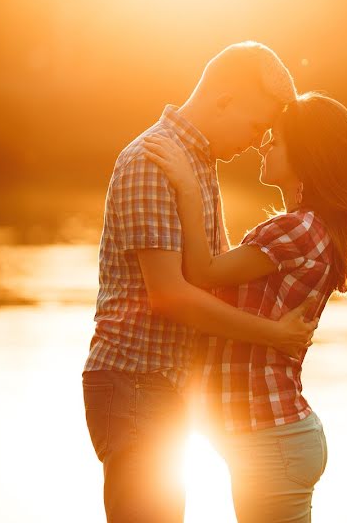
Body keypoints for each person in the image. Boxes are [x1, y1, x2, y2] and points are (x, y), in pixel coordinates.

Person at [82, 42, 319, 523]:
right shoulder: (153, 161)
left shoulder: (197, 163)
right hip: (136, 384)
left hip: (163, 388)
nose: (258, 141)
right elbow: (170, 295)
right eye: (257, 126)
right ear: (225, 100)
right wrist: (272, 334)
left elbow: (211, 274)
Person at [144, 91, 347, 522]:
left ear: (307, 155)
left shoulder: (296, 229)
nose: (265, 146)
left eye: (277, 141)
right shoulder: (309, 229)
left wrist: (189, 189)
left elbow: (203, 272)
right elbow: (224, 275)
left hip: (272, 439)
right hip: (274, 438)